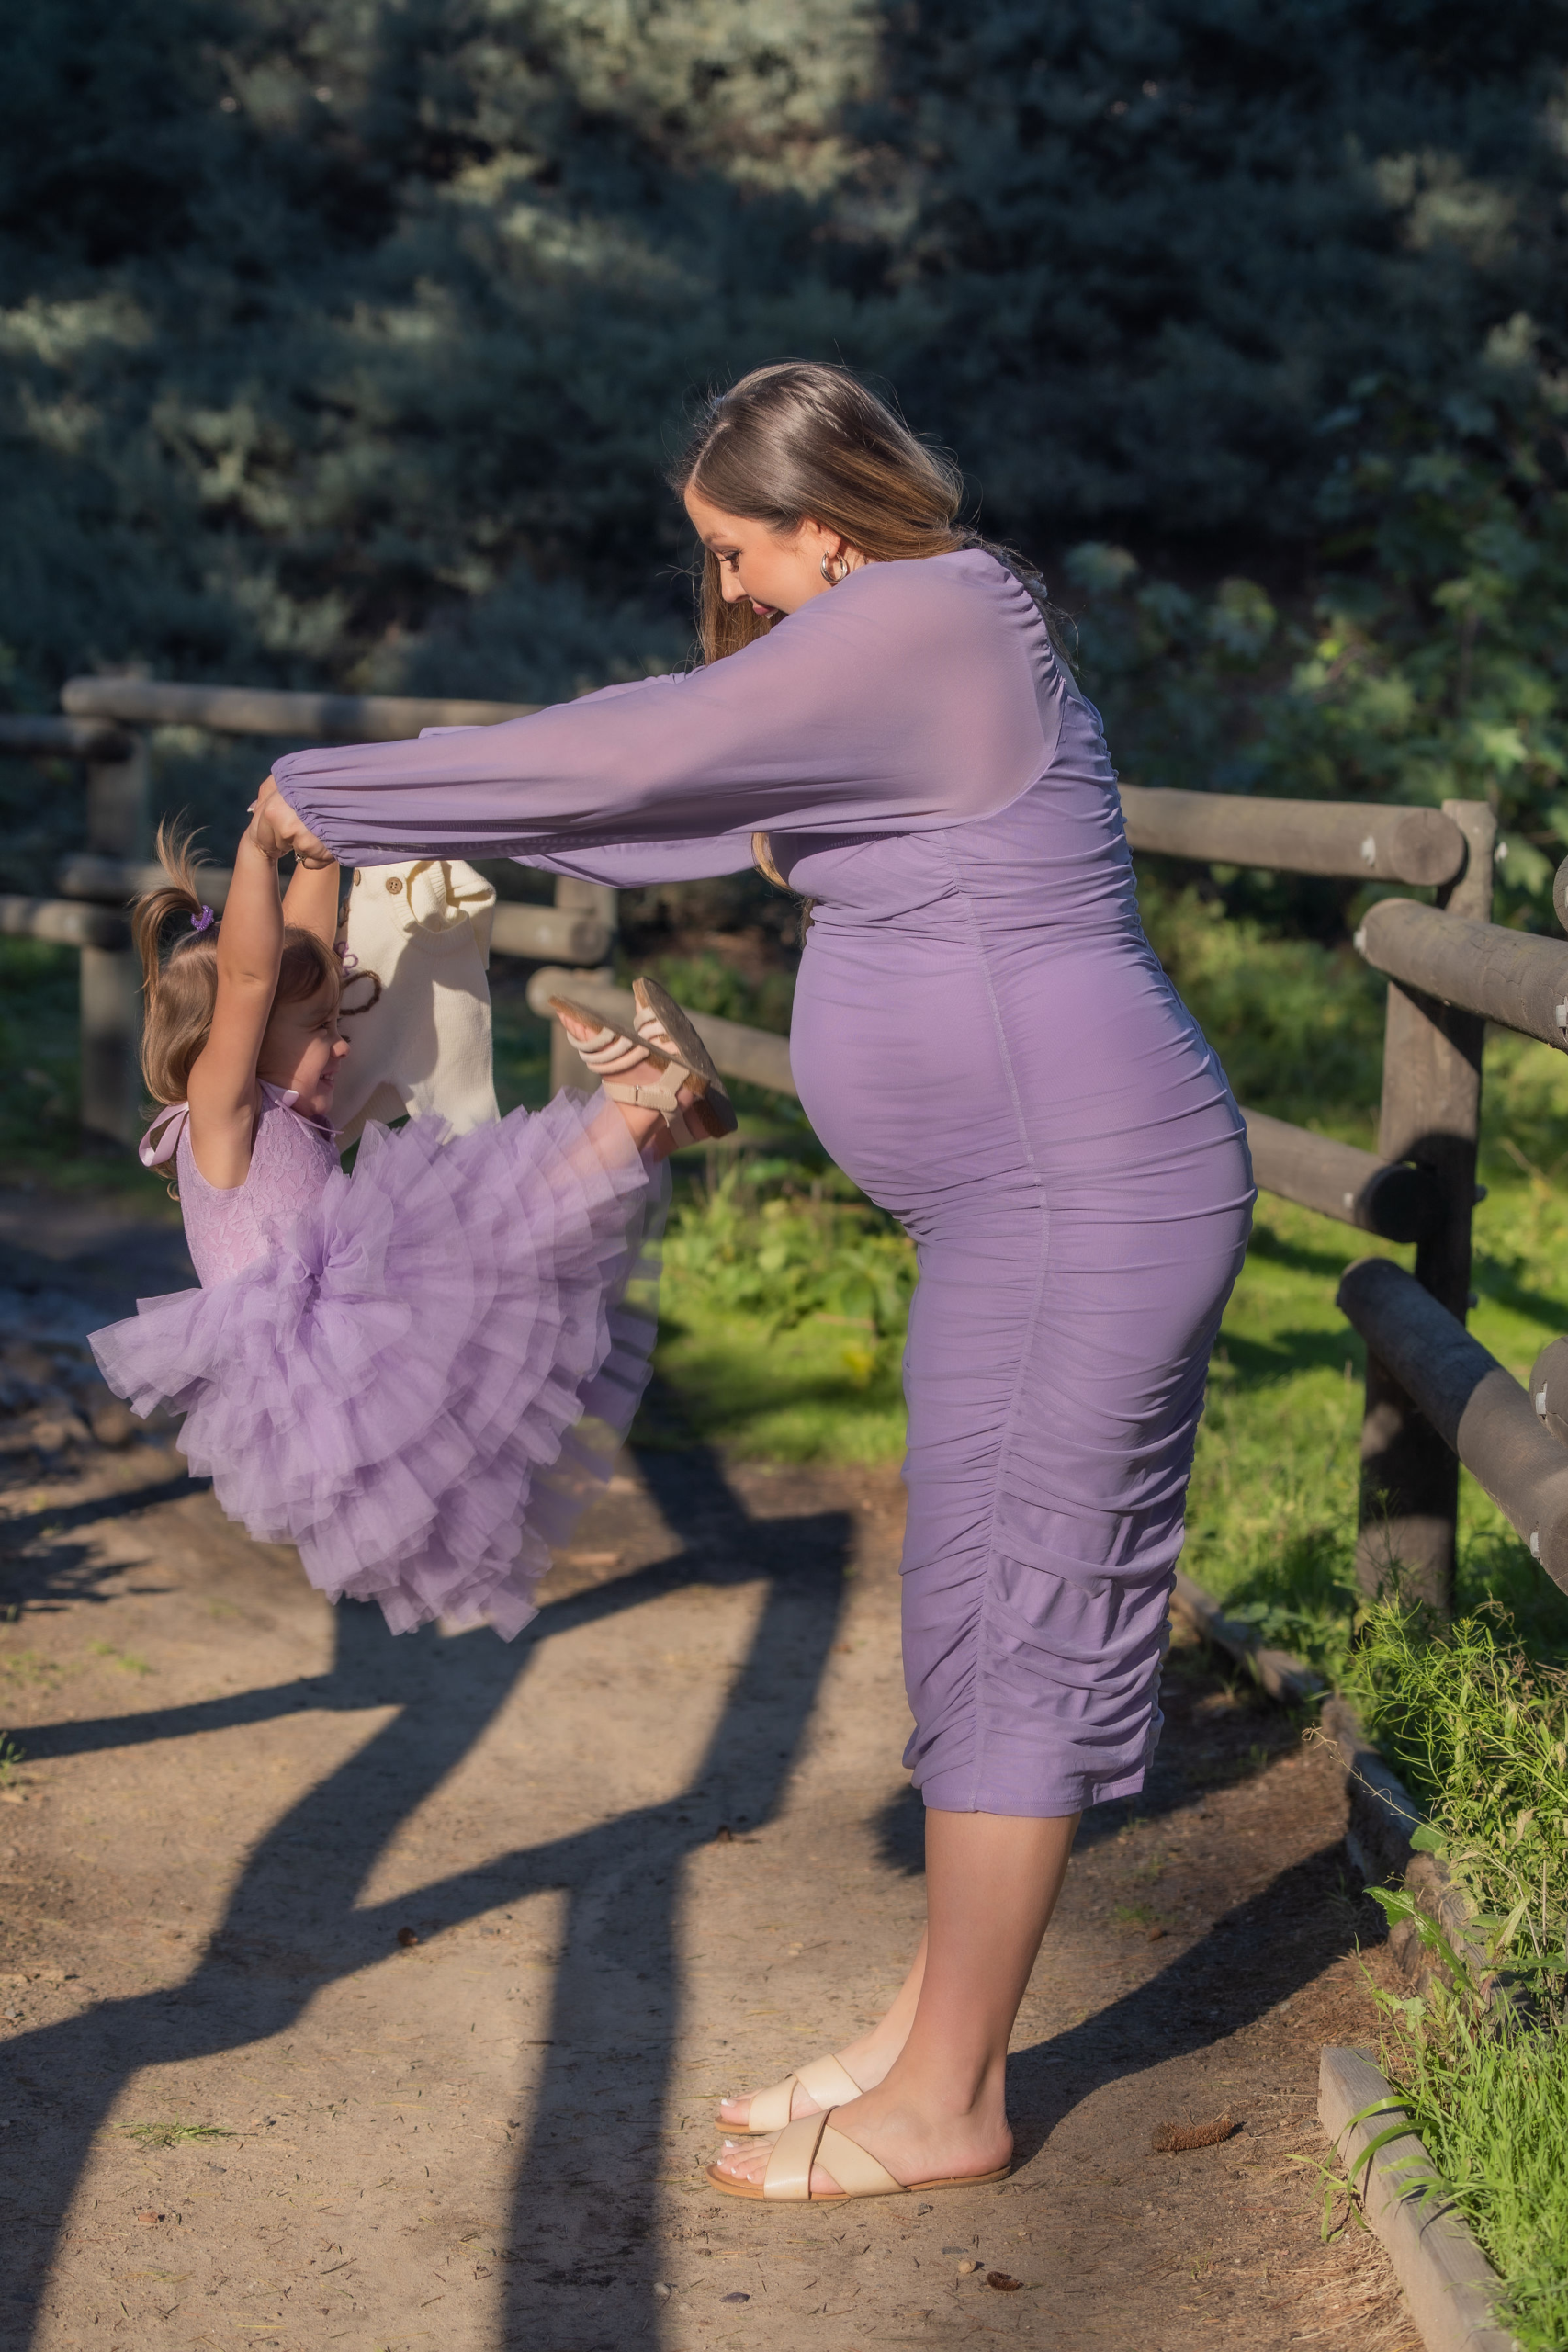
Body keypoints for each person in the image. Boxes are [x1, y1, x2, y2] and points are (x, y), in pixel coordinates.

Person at [254, 360, 1256, 2203]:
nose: (726, 587)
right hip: (1030, 1199)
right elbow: (662, 807)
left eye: (735, 550)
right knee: (973, 1600)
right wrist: (405, 823)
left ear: (827, 520)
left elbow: (639, 756)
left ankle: (951, 2096)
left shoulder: (932, 615)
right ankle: (929, 2029)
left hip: (1078, 1189)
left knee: (1018, 1607)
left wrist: (334, 788)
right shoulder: (901, 640)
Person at [89, 808, 725, 1642]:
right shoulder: (224, 1112)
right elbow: (248, 979)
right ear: (232, 1038)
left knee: (500, 1227)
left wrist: (318, 850)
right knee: (490, 1219)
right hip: (329, 1350)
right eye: (319, 1033)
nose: (341, 1048)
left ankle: (662, 1122)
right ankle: (643, 1112)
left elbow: (307, 956)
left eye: (334, 1028)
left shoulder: (279, 1100)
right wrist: (256, 849)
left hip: (349, 1324)